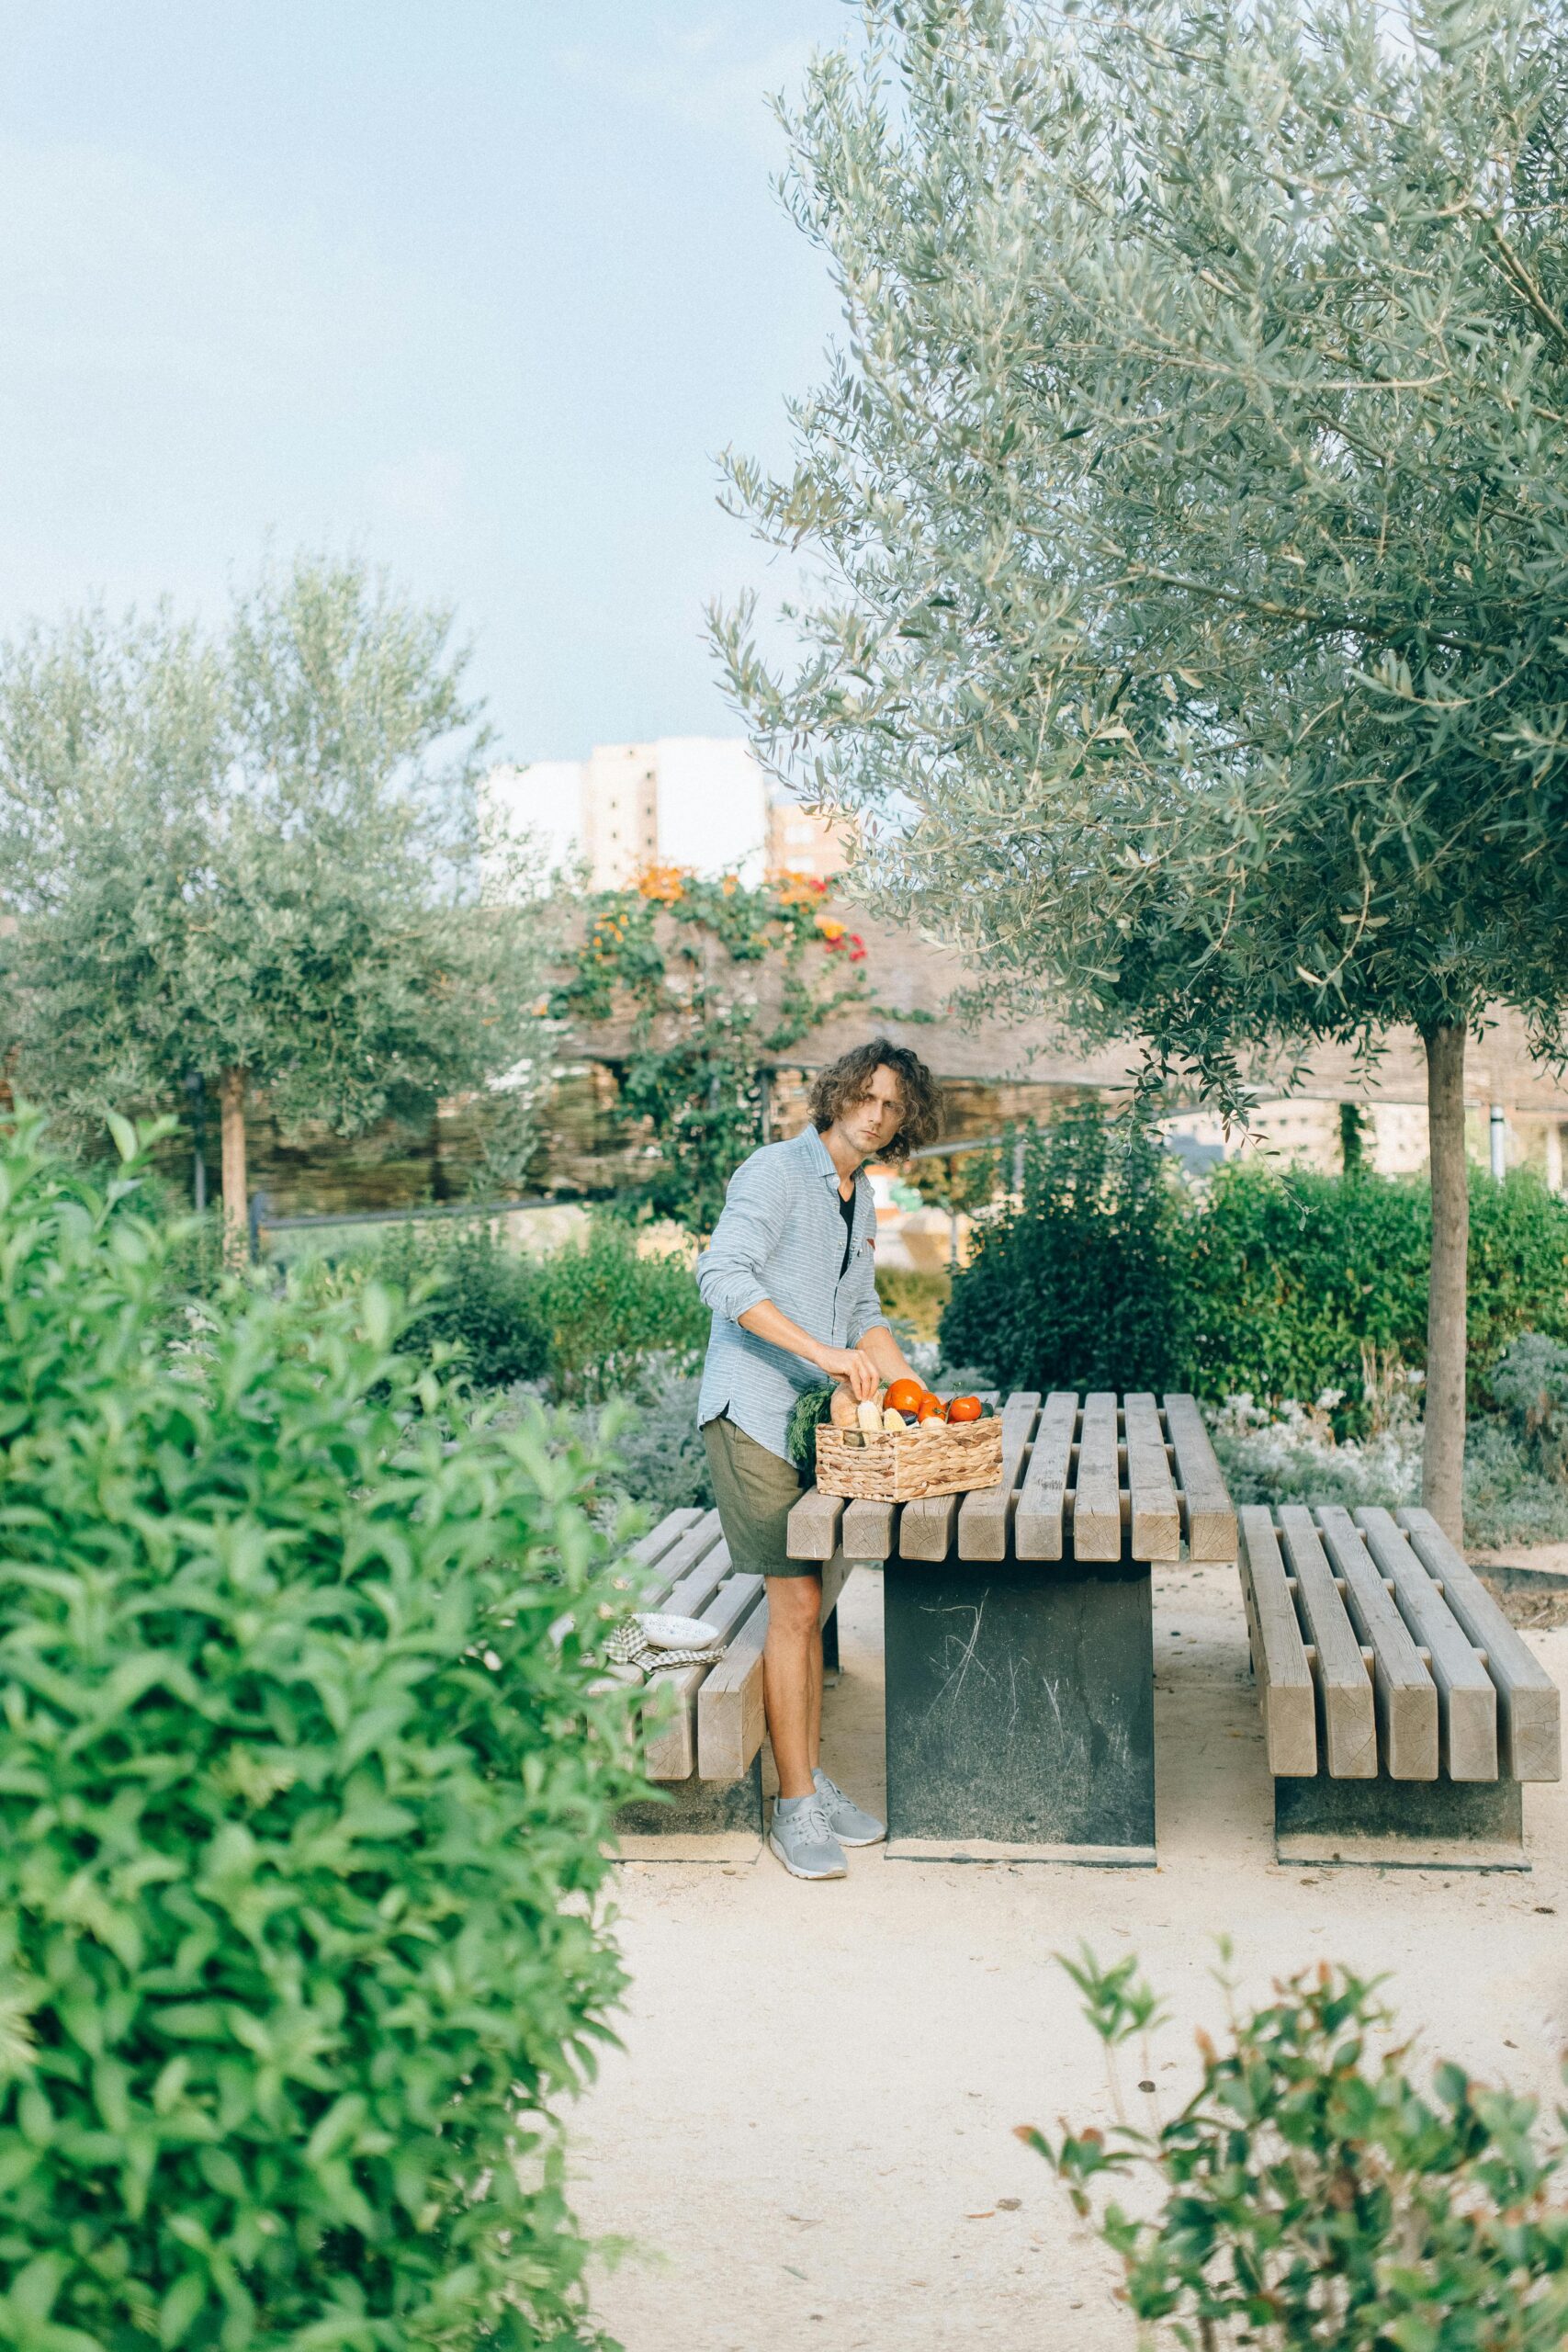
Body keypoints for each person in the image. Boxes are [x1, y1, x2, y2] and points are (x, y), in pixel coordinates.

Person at [694, 1038, 941, 1879]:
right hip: (754, 1411)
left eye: (893, 1108)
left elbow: (862, 1309)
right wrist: (826, 1355)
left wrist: (916, 1396)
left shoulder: (859, 1196)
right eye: (866, 1098)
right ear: (837, 1093)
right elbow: (721, 1275)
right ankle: (795, 1806)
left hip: (818, 1420)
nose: (876, 1116)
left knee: (818, 1600)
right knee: (796, 1603)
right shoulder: (773, 1172)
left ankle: (808, 1779)